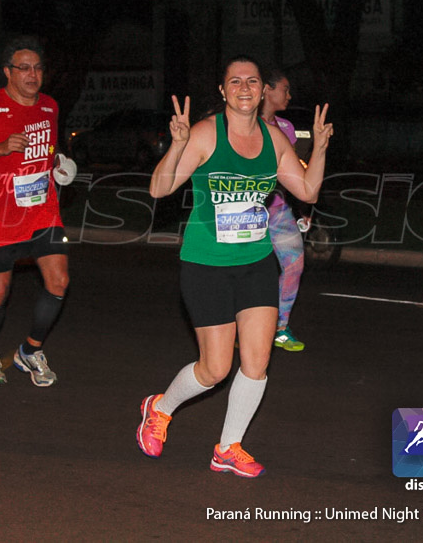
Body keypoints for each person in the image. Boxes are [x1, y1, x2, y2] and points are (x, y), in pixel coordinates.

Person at [137, 56, 333, 477]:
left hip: (257, 262)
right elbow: (159, 188)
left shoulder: (275, 141)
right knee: (215, 369)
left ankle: (228, 447)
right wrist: (177, 144)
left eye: (253, 81)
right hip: (206, 265)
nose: (245, 87)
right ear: (223, 91)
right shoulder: (207, 134)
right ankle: (160, 407)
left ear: (263, 91)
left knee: (257, 362)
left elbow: (309, 191)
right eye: (235, 81)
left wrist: (318, 148)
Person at [0, 36, 72, 387]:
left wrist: (59, 165)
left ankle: (30, 350)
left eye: (38, 68)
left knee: (58, 282)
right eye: (23, 68)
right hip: (2, 216)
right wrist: (0, 147)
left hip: (44, 211)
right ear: (7, 72)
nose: (32, 74)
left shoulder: (50, 107)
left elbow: (50, 150)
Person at [260, 69, 307, 352]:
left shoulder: (286, 129)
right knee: (246, 270)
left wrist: (302, 207)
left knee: (294, 264)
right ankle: (238, 325)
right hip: (245, 213)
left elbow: (292, 174)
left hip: (278, 210)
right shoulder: (243, 126)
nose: (289, 96)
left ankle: (279, 327)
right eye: (285, 89)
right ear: (267, 89)